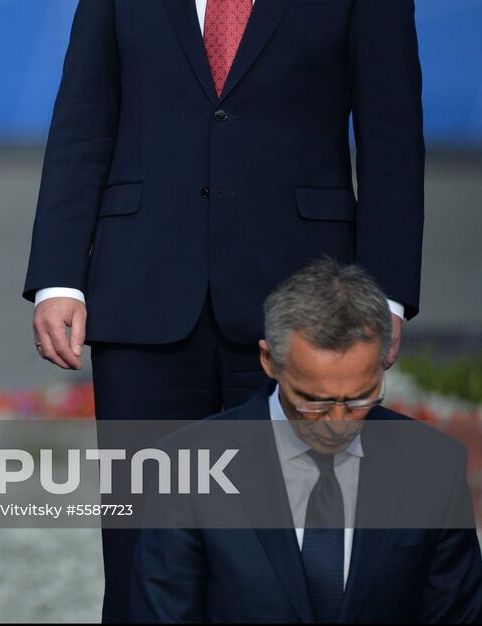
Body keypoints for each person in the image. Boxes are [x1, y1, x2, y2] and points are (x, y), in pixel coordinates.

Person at [22, 0, 424, 619]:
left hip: (301, 306)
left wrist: (388, 296)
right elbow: (84, 117)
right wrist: (59, 275)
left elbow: (392, 137)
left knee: (278, 561)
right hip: (141, 300)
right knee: (141, 558)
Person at [131, 259, 482, 623]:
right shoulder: (189, 467)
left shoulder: (433, 466)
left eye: (361, 398)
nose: (338, 423)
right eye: (314, 401)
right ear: (270, 361)